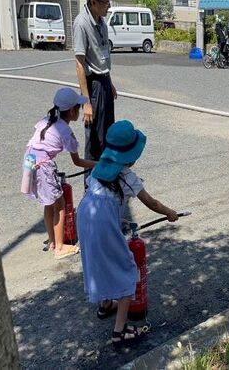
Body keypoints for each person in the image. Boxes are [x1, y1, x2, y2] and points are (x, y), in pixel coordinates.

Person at [76, 120, 179, 345]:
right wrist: (170, 213)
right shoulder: (126, 176)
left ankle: (105, 306)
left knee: (97, 262)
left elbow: (100, 199)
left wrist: (115, 219)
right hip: (102, 220)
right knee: (127, 269)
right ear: (131, 155)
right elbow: (151, 203)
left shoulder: (100, 167)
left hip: (85, 214)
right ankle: (119, 331)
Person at [21, 88, 96, 259]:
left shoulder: (46, 120)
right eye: (78, 107)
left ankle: (53, 240)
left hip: (30, 159)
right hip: (43, 166)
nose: (79, 111)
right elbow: (77, 162)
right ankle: (60, 247)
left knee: (48, 203)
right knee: (60, 205)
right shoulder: (65, 131)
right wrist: (99, 164)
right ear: (71, 111)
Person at [73, 0, 117, 167]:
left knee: (108, 134)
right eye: (106, 2)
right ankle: (91, 186)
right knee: (94, 139)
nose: (109, 6)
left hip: (104, 81)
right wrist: (86, 102)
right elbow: (79, 64)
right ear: (93, 2)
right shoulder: (82, 23)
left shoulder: (101, 22)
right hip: (93, 86)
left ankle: (106, 180)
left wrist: (110, 83)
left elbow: (102, 55)